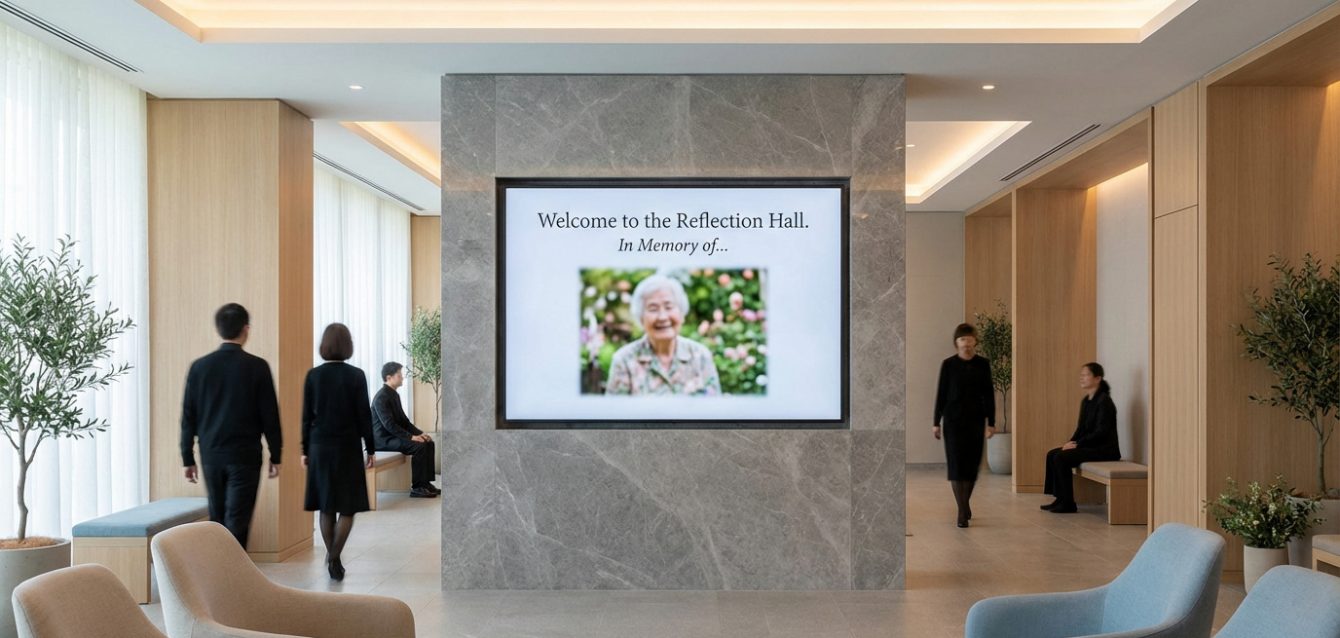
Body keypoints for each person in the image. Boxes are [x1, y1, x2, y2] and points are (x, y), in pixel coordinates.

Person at [180, 303, 283, 550]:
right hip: (245, 455)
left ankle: (223, 577)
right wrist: (276, 454)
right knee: (238, 519)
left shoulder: (199, 367)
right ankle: (234, 579)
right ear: (246, 329)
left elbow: (188, 416)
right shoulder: (257, 367)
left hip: (211, 455)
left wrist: (187, 457)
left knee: (217, 519)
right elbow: (270, 415)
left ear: (218, 329)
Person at [302, 323, 377, 581]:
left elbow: (305, 417)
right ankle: (334, 556)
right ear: (348, 345)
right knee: (348, 506)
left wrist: (304, 449)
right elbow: (364, 415)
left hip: (319, 446)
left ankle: (332, 556)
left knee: (326, 506)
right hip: (347, 446)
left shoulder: (313, 376)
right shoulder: (356, 375)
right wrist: (371, 447)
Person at [605, 274, 722, 396]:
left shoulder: (700, 356)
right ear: (641, 318)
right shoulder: (624, 360)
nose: (662, 317)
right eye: (653, 309)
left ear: (682, 313)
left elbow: (715, 410)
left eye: (669, 307)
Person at [933, 323, 997, 528]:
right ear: (956, 343)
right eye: (962, 339)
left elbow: (989, 395)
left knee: (971, 468)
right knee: (956, 467)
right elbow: (941, 394)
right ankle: (962, 511)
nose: (966, 343)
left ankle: (964, 503)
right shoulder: (948, 365)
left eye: (969, 339)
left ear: (975, 342)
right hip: (952, 422)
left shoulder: (983, 364)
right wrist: (936, 422)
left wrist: (992, 422)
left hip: (975, 421)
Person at [1041, 362, 1121, 514]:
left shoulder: (1104, 401)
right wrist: (1069, 442)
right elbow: (1081, 428)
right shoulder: (1086, 401)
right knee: (1052, 454)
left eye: (1086, 375)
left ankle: (1068, 503)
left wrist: (1077, 444)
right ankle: (1060, 498)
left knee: (1060, 458)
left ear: (1097, 378)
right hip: (1090, 446)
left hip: (1104, 449)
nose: (1082, 378)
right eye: (1081, 375)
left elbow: (1101, 432)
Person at [372, 362, 439, 498]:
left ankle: (425, 483)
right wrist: (411, 438)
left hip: (393, 437)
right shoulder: (381, 397)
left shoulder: (394, 395)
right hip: (383, 440)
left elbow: (405, 422)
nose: (402, 377)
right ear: (389, 377)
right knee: (419, 447)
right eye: (399, 375)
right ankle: (417, 488)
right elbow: (389, 425)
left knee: (428, 442)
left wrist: (420, 433)